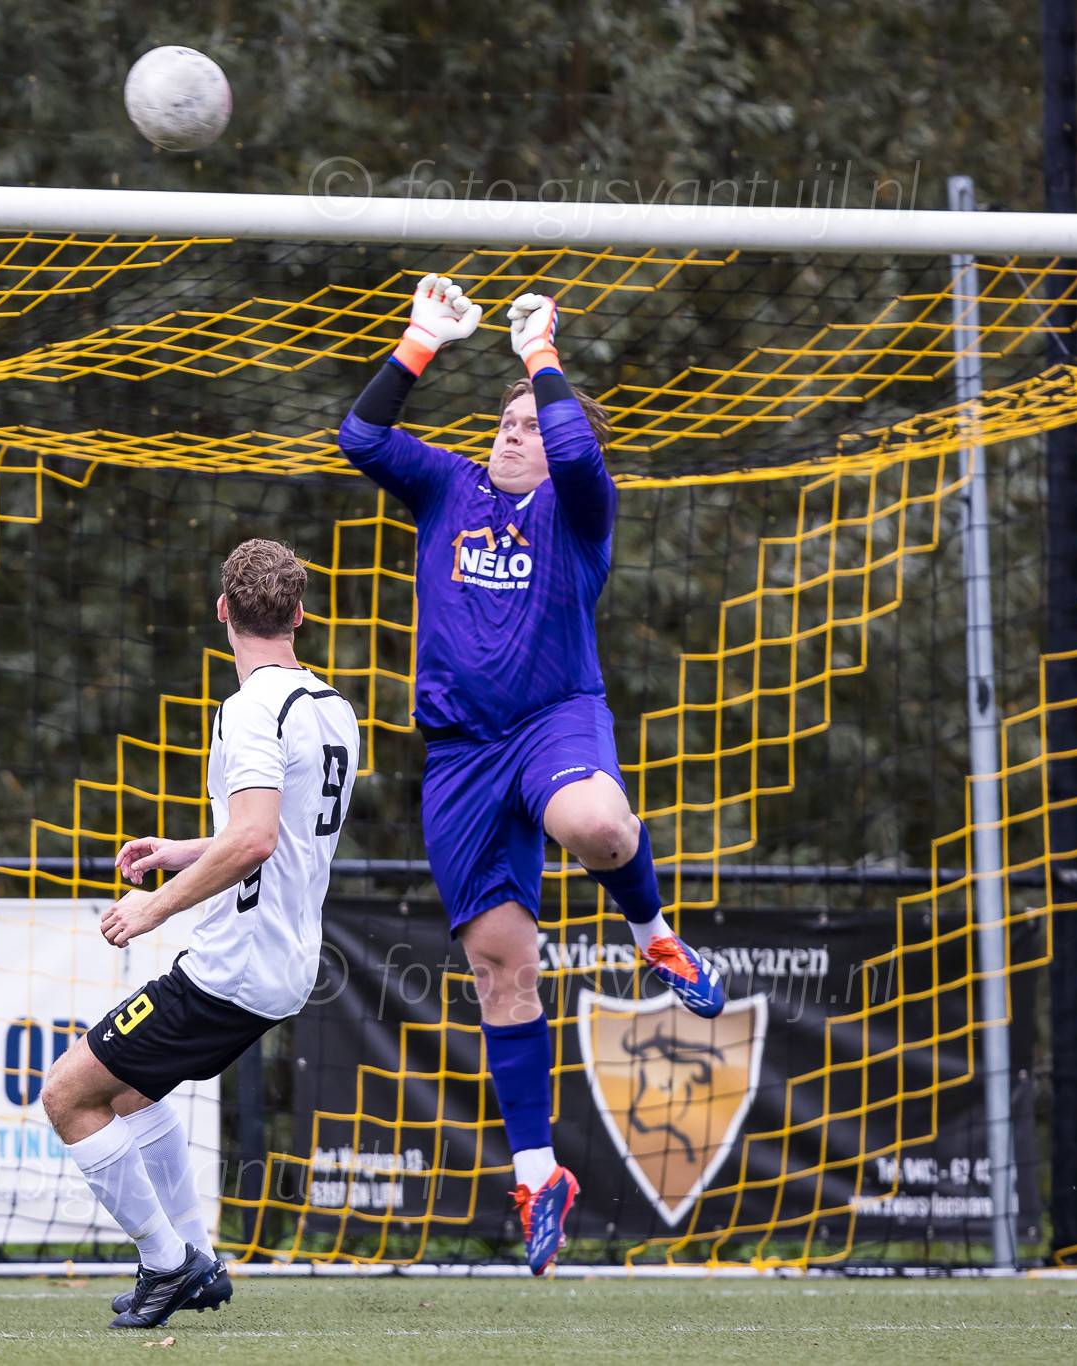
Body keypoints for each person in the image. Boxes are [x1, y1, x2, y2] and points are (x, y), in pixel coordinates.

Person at [335, 274, 726, 1276]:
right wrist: (420, 340)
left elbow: (581, 453)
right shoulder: (448, 487)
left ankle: (653, 936)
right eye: (504, 422)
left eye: (530, 425)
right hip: (460, 752)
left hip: (553, 720)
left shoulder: (578, 509)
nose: (513, 435)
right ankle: (539, 1173)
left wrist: (539, 355)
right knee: (500, 970)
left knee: (595, 823)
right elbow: (360, 437)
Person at [42, 539, 361, 1330]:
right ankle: (196, 1260)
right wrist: (181, 851)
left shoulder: (249, 708)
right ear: (298, 615)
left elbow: (254, 839)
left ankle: (167, 1263)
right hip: (286, 961)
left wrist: (154, 907)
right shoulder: (332, 708)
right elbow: (276, 832)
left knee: (68, 1095)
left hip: (233, 965)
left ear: (222, 610)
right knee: (126, 1093)